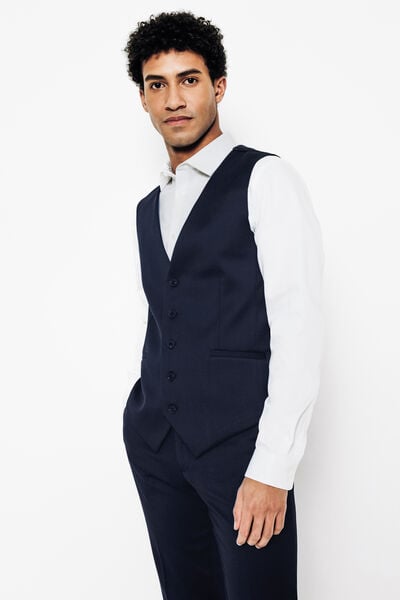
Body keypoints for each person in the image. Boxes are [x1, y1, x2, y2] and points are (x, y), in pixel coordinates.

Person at [122, 10, 324, 600]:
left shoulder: (266, 179)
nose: (174, 99)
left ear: (219, 86)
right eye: (157, 84)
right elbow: (169, 318)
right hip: (158, 446)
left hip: (241, 450)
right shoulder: (148, 208)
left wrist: (272, 468)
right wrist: (143, 426)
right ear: (143, 98)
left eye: (189, 79)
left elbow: (298, 326)